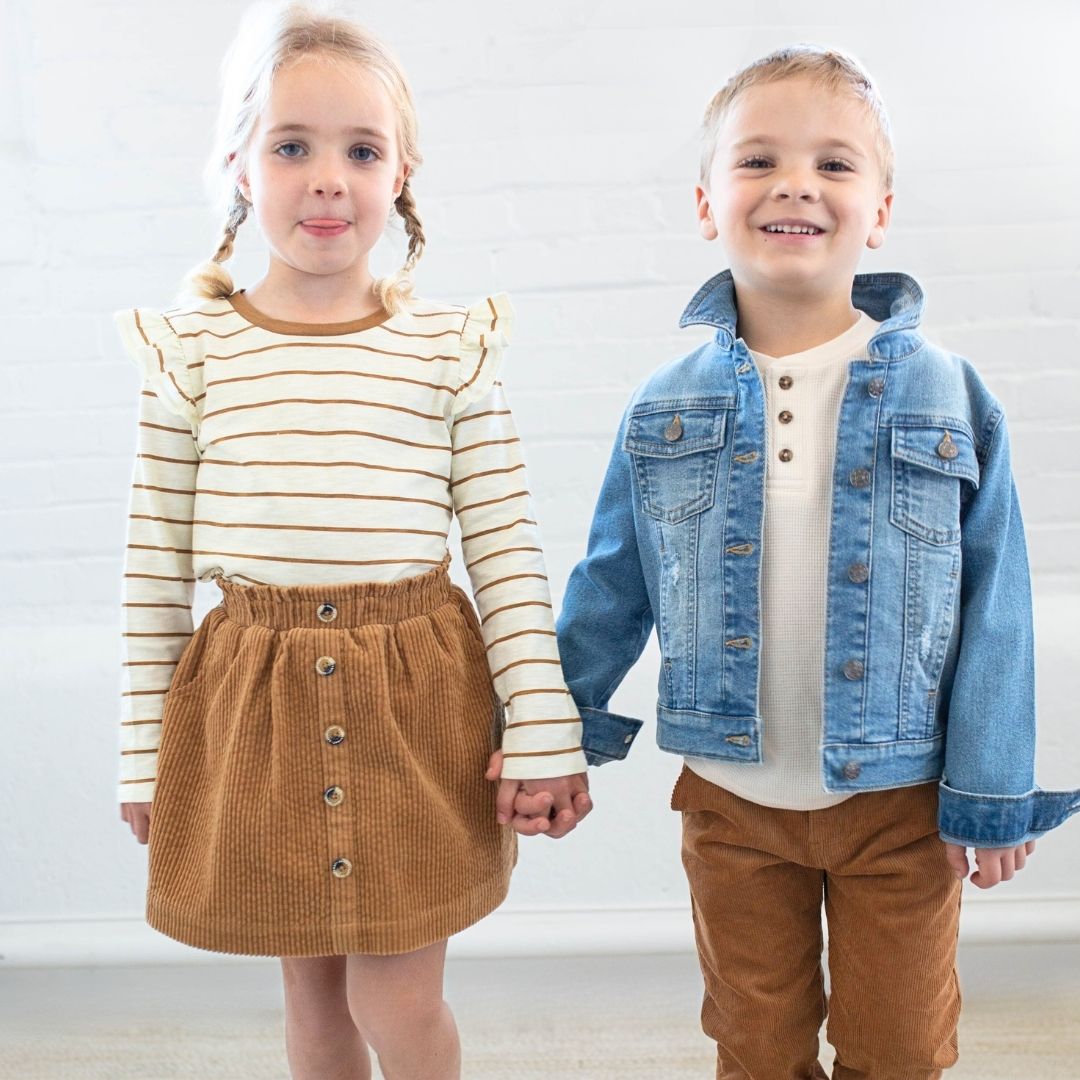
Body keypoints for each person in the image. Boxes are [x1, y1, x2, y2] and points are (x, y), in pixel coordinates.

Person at [551, 44, 1080, 1079]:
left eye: (835, 165)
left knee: (901, 1049)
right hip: (732, 803)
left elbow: (996, 602)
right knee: (755, 1047)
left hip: (902, 804)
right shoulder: (665, 401)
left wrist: (990, 786)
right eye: (759, 161)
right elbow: (611, 583)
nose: (797, 181)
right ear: (707, 204)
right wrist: (555, 731)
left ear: (879, 212)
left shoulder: (947, 391)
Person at [114, 4, 589, 1078]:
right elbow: (152, 576)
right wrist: (143, 751)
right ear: (240, 165)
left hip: (413, 704)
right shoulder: (193, 350)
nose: (327, 178)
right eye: (292, 146)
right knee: (312, 990)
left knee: (396, 989)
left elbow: (508, 550)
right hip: (255, 704)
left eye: (360, 150)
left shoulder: (447, 349)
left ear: (402, 174)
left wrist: (544, 724)